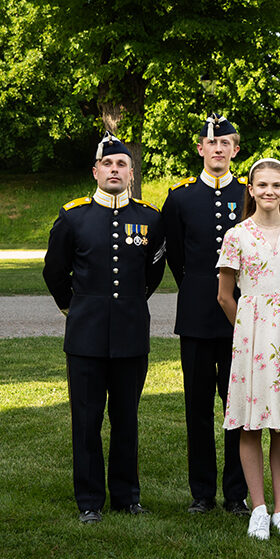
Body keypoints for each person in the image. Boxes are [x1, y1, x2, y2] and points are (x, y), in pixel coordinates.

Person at [43, 132, 166, 524]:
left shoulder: (149, 218)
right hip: (85, 336)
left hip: (131, 335)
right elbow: (54, 270)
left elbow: (153, 273)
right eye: (108, 164)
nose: (115, 170)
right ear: (95, 171)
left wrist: (127, 306)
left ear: (132, 173)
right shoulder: (73, 216)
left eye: (122, 165)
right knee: (87, 420)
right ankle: (90, 500)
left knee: (126, 418)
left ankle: (127, 496)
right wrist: (74, 307)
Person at [216, 158, 280, 540]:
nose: (269, 192)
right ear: (251, 189)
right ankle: (257, 508)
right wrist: (251, 329)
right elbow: (225, 296)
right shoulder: (236, 235)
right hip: (251, 339)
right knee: (250, 422)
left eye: (276, 185)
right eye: (262, 185)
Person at [161, 113, 249, 515]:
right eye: (211, 143)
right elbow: (176, 257)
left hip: (240, 318)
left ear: (234, 149)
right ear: (200, 148)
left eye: (225, 143)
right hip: (196, 315)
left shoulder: (249, 193)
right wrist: (201, 289)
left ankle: (236, 493)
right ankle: (202, 494)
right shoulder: (180, 196)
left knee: (238, 407)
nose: (218, 149)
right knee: (197, 408)